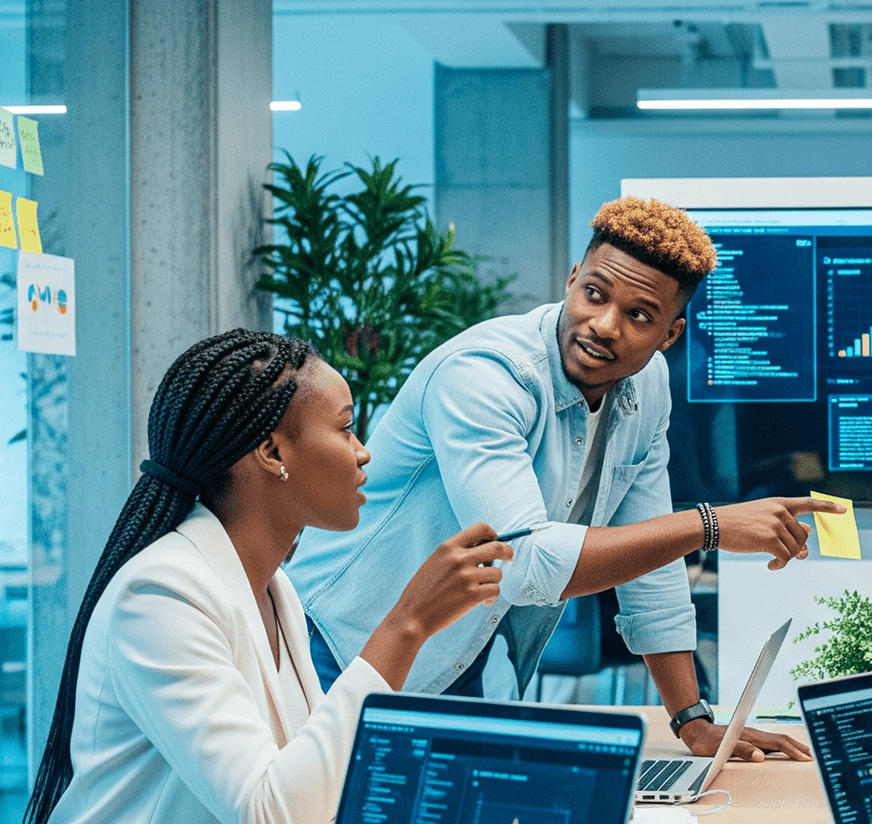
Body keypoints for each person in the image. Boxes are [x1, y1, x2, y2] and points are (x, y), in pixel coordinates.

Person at [288, 196, 840, 761]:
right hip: (337, 647)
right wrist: (709, 526)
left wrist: (692, 721)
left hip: (454, 659)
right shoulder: (485, 376)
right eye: (594, 294)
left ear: (669, 337)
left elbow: (651, 571)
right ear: (573, 279)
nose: (604, 326)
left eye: (639, 316)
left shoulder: (647, 387)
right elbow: (520, 564)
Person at [25, 330, 514, 824]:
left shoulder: (275, 590)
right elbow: (272, 812)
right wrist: (407, 624)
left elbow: (319, 778)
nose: (363, 453)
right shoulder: (159, 596)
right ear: (273, 453)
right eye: (345, 429)